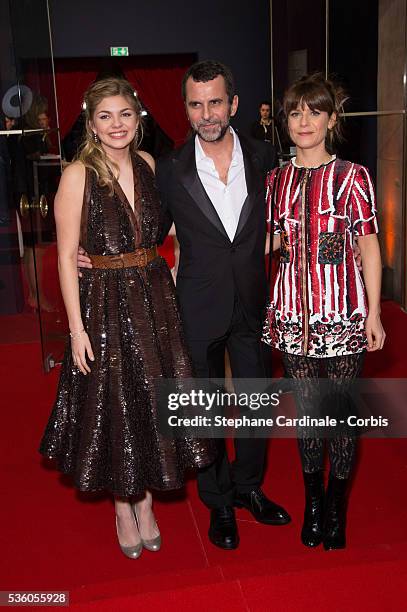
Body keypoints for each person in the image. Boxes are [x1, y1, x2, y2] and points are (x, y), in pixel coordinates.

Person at [78, 60, 289, 551]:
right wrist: (97, 254)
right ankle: (218, 503)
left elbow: (283, 218)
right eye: (196, 104)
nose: (206, 113)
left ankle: (249, 488)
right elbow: (144, 228)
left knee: (257, 401)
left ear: (233, 104)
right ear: (186, 110)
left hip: (254, 299)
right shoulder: (169, 168)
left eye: (216, 102)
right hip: (194, 303)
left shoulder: (263, 155)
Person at [40, 77, 215, 559]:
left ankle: (149, 503)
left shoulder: (150, 165)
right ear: (92, 125)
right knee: (115, 403)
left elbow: (174, 229)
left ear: (139, 119)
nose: (117, 124)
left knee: (151, 401)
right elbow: (65, 256)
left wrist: (176, 274)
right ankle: (124, 508)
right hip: (105, 304)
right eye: (105, 116)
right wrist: (75, 330)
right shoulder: (78, 175)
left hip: (155, 298)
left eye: (125, 114)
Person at [262, 73, 385, 550]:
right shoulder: (275, 180)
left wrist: (374, 312)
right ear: (285, 121)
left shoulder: (354, 177)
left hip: (344, 314)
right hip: (293, 315)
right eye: (295, 112)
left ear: (332, 119)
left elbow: (369, 247)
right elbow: (267, 242)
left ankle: (338, 504)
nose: (304, 120)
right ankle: (314, 501)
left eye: (315, 111)